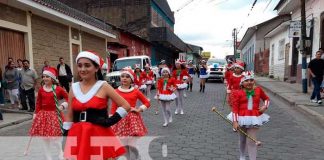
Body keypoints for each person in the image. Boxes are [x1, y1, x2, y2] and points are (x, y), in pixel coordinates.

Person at [63, 51, 131, 160]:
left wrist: (109, 121)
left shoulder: (103, 86)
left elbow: (125, 105)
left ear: (96, 68)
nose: (82, 69)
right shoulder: (73, 88)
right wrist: (66, 136)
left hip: (98, 134)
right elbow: (70, 115)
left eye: (87, 65)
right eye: (79, 66)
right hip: (78, 135)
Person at [228, 71, 270, 160]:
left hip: (254, 118)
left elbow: (266, 99)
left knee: (251, 140)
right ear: (242, 83)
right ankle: (242, 156)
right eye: (247, 80)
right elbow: (235, 109)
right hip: (241, 118)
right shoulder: (237, 93)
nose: (249, 82)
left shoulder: (258, 90)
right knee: (242, 140)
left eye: (251, 80)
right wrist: (235, 121)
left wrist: (265, 106)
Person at [111, 67, 150, 160]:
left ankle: (137, 156)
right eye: (122, 76)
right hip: (120, 120)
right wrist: (111, 121)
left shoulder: (135, 91)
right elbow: (113, 107)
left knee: (132, 145)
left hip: (132, 121)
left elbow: (147, 102)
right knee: (124, 147)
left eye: (127, 77)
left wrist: (139, 109)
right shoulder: (116, 91)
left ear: (131, 79)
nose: (124, 78)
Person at [29, 67, 68, 160]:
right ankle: (48, 157)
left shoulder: (58, 89)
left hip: (55, 116)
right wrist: (35, 114)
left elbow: (68, 98)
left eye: (47, 77)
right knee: (45, 138)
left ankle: (60, 152)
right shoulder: (42, 90)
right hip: (44, 116)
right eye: (44, 76)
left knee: (56, 139)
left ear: (52, 79)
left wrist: (63, 106)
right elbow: (38, 103)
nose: (45, 78)